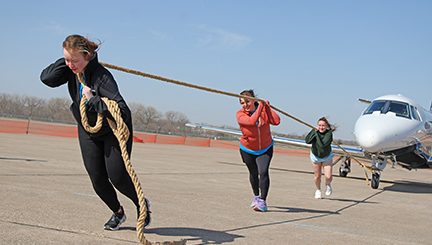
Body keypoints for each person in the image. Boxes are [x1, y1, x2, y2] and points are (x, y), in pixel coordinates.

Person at [40, 34, 151, 231]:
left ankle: (142, 206)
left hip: (112, 131)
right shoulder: (71, 70)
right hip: (88, 130)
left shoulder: (102, 76)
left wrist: (94, 100)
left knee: (117, 176)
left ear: (88, 56)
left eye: (75, 60)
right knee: (97, 179)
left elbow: (123, 110)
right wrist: (67, 60)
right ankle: (118, 213)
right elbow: (47, 78)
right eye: (67, 59)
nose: (71, 65)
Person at [236, 89, 281, 212]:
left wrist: (267, 108)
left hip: (265, 148)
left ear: (254, 100)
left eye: (247, 101)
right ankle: (256, 196)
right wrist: (261, 106)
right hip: (247, 149)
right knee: (253, 173)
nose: (245, 105)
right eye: (242, 103)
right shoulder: (240, 114)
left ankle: (262, 200)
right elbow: (251, 122)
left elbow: (276, 121)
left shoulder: (263, 110)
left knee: (264, 171)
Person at [305, 117, 335, 199]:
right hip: (315, 156)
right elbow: (307, 141)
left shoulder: (329, 134)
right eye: (319, 125)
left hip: (326, 156)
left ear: (326, 126)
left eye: (323, 126)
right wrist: (312, 131)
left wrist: (316, 134)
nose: (321, 127)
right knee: (317, 176)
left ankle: (328, 184)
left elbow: (322, 145)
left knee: (328, 176)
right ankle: (318, 190)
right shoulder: (315, 131)